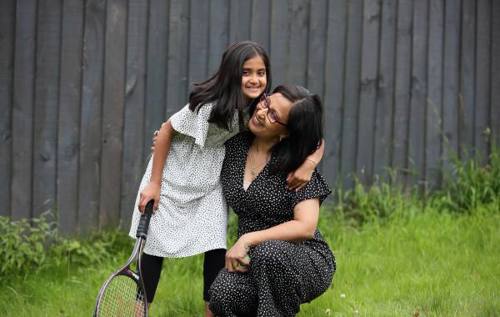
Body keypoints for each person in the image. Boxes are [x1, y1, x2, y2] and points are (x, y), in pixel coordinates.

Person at [129, 42, 325, 316]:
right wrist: (157, 177)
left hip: (220, 193)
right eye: (247, 72)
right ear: (231, 73)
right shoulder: (221, 120)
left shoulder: (274, 132)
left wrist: (311, 161)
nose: (255, 81)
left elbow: (308, 133)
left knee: (228, 249)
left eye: (261, 73)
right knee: (171, 262)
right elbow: (166, 131)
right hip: (177, 181)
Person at [208, 85, 335, 316]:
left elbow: (305, 227)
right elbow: (199, 138)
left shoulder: (296, 166)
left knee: (271, 253)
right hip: (253, 259)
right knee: (223, 294)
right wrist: (167, 139)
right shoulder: (236, 145)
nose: (262, 112)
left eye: (274, 115)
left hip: (301, 257)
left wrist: (248, 239)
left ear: (287, 132)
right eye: (266, 102)